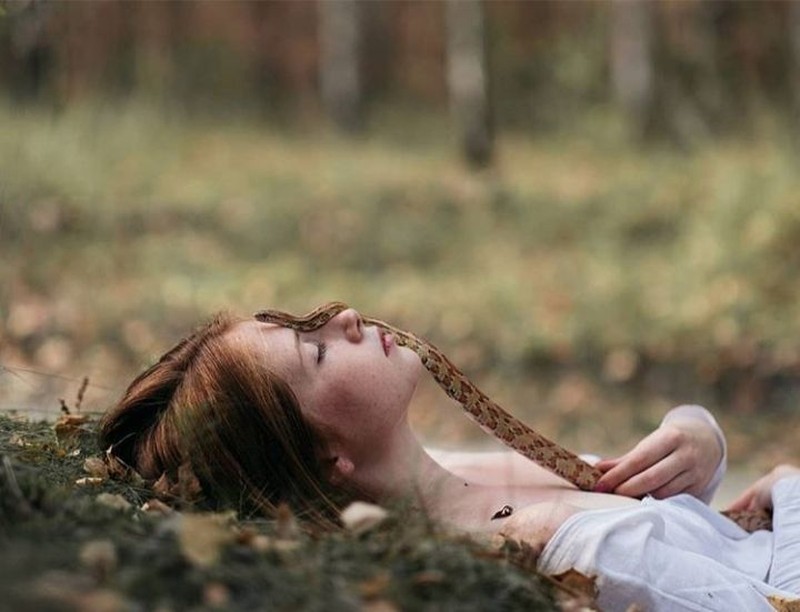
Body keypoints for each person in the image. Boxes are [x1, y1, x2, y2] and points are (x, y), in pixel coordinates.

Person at [99, 307, 800, 610]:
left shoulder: (453, 472)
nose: (344, 318)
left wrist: (698, 435)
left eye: (308, 320)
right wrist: (791, 489)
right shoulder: (558, 546)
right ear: (322, 458)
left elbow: (679, 525)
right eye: (316, 351)